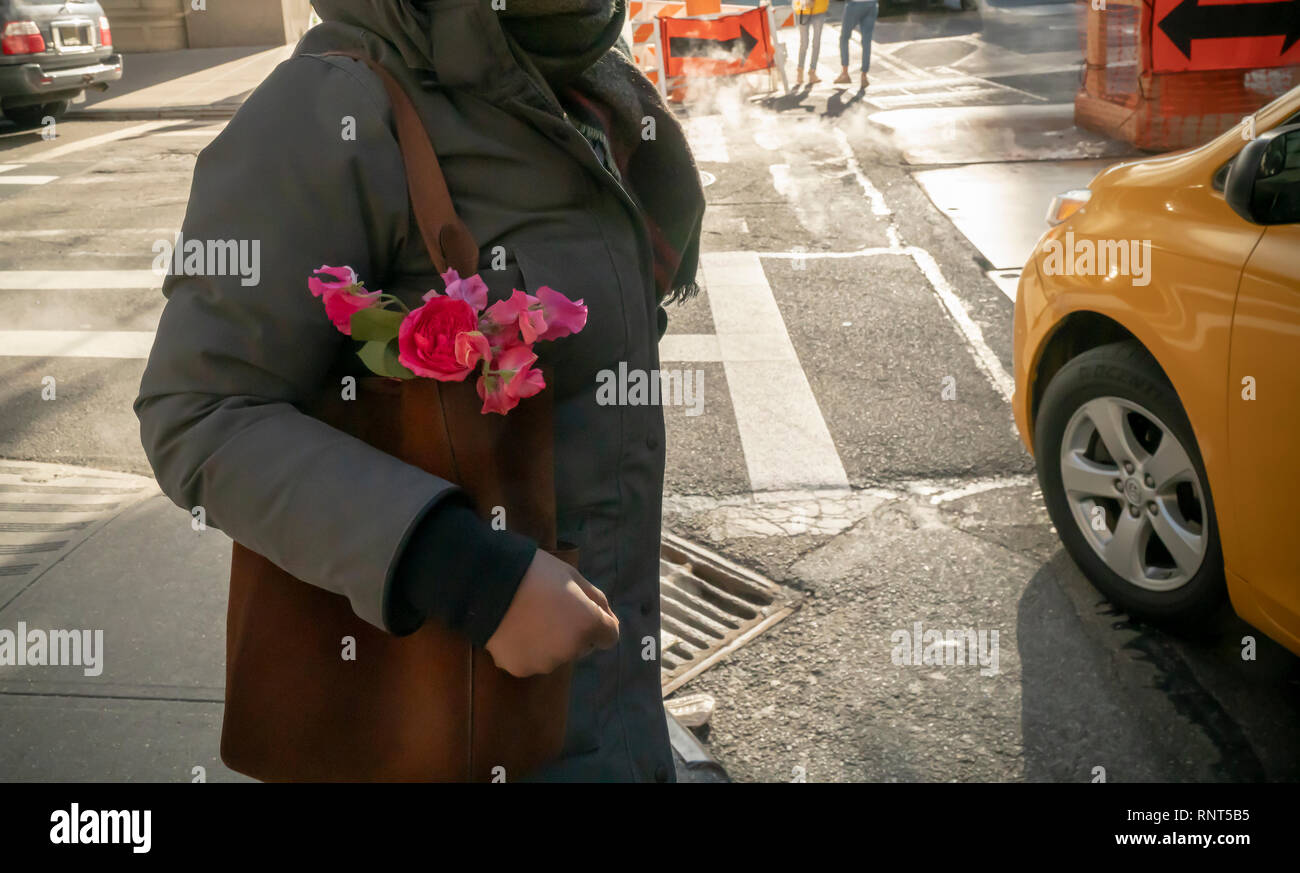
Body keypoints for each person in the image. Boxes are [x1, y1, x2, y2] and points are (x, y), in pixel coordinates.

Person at [134, 0, 705, 782]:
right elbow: (197, 412)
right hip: (453, 721)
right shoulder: (331, 106)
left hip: (610, 706)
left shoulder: (585, 87)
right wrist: (472, 575)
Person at [836, 0, 879, 89]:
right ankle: (864, 75)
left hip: (855, 4)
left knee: (844, 37)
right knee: (866, 41)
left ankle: (845, 73)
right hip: (872, 4)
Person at [793, 0, 828, 86]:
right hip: (803, 8)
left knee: (816, 43)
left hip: (819, 9)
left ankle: (812, 72)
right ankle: (800, 70)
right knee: (804, 43)